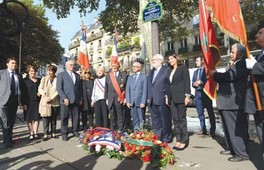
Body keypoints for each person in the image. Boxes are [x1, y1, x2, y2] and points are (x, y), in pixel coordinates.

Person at [209, 43, 250, 162]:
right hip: (227, 102)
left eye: (233, 52)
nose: (230, 54)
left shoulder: (242, 64)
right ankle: (232, 148)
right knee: (228, 128)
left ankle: (242, 153)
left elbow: (229, 77)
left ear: (240, 54)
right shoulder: (234, 64)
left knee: (235, 129)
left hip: (234, 103)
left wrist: (214, 74)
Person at [245, 21, 264, 162]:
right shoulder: (260, 54)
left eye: (260, 32)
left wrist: (256, 66)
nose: (256, 35)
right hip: (259, 104)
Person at [0, 57, 26, 148]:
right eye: (12, 63)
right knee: (5, 121)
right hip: (3, 101)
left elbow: (22, 89)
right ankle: (7, 141)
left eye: (15, 63)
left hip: (14, 101)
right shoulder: (2, 73)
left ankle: (9, 138)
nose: (14, 65)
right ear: (7, 64)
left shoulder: (18, 75)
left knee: (11, 121)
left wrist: (22, 102)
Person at [167, 54, 191, 150]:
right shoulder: (169, 70)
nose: (170, 60)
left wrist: (187, 96)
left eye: (172, 58)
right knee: (175, 119)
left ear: (176, 59)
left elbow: (187, 82)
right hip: (171, 98)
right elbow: (168, 85)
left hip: (181, 97)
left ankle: (184, 140)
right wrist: (166, 96)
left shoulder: (183, 68)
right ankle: (178, 139)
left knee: (181, 119)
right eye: (169, 59)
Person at [148, 54, 172, 143]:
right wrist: (148, 97)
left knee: (165, 119)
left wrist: (167, 95)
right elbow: (150, 85)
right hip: (152, 99)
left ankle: (167, 137)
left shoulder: (166, 70)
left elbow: (169, 84)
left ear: (160, 61)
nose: (153, 61)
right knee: (155, 120)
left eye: (154, 59)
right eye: (152, 59)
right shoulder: (151, 72)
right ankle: (158, 136)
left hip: (162, 98)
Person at [57, 60, 82, 141]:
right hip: (66, 100)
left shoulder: (77, 76)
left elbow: (79, 88)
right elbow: (59, 88)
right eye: (70, 65)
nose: (72, 66)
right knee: (65, 117)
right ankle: (64, 133)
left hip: (76, 100)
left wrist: (80, 98)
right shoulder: (61, 75)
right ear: (66, 65)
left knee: (76, 117)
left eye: (73, 65)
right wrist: (64, 98)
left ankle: (75, 131)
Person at [192, 56, 216, 136]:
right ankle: (203, 129)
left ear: (202, 61)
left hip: (206, 93)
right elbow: (192, 82)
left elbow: (209, 80)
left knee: (210, 112)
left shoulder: (206, 70)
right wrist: (194, 84)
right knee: (200, 113)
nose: (196, 62)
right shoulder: (195, 72)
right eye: (195, 61)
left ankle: (213, 130)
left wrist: (201, 82)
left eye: (197, 60)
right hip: (198, 94)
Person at [38, 65, 60, 141]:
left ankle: (53, 132)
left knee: (53, 118)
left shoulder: (58, 79)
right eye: (48, 70)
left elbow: (58, 90)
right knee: (45, 118)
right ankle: (45, 134)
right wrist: (44, 94)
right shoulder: (44, 79)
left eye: (51, 71)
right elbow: (40, 88)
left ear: (54, 72)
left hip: (54, 101)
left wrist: (51, 97)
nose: (49, 72)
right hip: (45, 101)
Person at [105, 58, 127, 131]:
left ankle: (121, 130)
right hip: (111, 98)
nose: (114, 67)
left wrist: (125, 98)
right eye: (112, 65)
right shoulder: (108, 76)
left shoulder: (124, 75)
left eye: (115, 65)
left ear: (118, 66)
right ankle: (113, 131)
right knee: (112, 116)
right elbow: (106, 88)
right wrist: (106, 98)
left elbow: (126, 88)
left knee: (120, 115)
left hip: (119, 98)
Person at [126, 61, 147, 131]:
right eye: (133, 66)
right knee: (134, 118)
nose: (133, 68)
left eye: (135, 66)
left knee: (141, 119)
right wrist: (128, 101)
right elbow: (127, 90)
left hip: (140, 101)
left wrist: (143, 102)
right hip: (132, 102)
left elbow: (145, 90)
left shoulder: (143, 77)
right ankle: (135, 133)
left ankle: (141, 132)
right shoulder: (130, 77)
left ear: (139, 67)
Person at [23, 65, 41, 140]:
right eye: (31, 71)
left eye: (34, 71)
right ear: (28, 72)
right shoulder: (25, 81)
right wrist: (23, 103)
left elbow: (42, 88)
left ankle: (35, 132)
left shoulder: (39, 80)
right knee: (29, 118)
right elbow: (23, 93)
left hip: (37, 101)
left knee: (36, 118)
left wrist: (40, 92)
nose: (33, 72)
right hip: (28, 102)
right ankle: (31, 133)